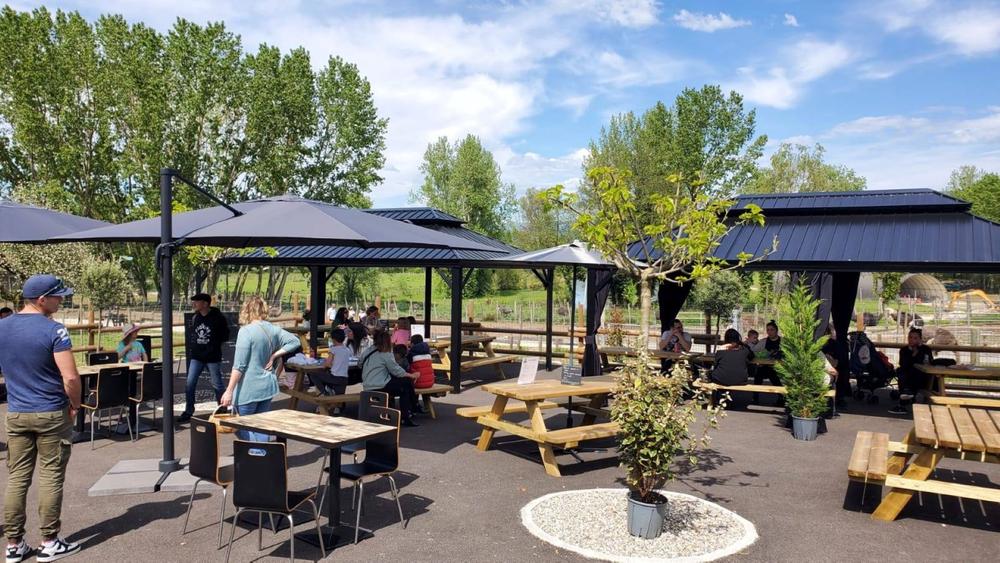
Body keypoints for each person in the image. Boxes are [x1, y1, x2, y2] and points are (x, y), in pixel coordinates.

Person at [0, 275, 82, 562]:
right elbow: (70, 376)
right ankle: (49, 541)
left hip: (17, 412)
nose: (62, 300)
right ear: (41, 299)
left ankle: (13, 544)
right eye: (58, 296)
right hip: (50, 412)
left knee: (17, 477)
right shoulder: (54, 331)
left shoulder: (1, 327)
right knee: (50, 476)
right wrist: (76, 404)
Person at [220, 296, 300, 441]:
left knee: (239, 425)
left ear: (246, 310)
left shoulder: (246, 332)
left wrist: (229, 390)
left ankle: (256, 454)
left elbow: (239, 365)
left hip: (248, 389)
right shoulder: (274, 329)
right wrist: (275, 355)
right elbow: (295, 341)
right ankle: (262, 457)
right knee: (261, 426)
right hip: (267, 386)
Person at [178, 294, 231, 423]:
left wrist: (213, 346)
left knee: (217, 384)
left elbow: (225, 336)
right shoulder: (196, 317)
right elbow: (194, 334)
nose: (194, 304)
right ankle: (188, 410)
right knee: (190, 384)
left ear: (205, 303)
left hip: (212, 357)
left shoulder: (218, 318)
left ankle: (222, 408)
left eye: (197, 302)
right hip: (197, 357)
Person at [359, 330, 419, 427]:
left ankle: (413, 408)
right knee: (406, 385)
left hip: (367, 385)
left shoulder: (368, 350)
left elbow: (359, 363)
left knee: (404, 384)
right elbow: (396, 371)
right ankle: (407, 414)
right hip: (381, 385)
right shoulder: (386, 353)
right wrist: (412, 375)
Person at [889, 328, 933, 415]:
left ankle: (904, 399)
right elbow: (904, 363)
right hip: (907, 375)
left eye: (915, 338)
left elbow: (928, 362)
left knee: (915, 371)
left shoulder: (925, 349)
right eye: (910, 337)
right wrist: (913, 354)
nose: (912, 340)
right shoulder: (904, 350)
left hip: (921, 376)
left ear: (920, 339)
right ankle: (905, 395)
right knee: (901, 371)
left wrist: (918, 351)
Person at [312, 328, 350, 396]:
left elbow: (327, 364)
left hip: (335, 377)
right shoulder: (347, 350)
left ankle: (324, 392)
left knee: (314, 374)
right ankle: (340, 406)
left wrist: (324, 364)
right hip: (344, 379)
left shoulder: (333, 349)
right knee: (339, 397)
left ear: (333, 339)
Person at [753, 320, 783, 404]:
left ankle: (781, 397)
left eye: (772, 330)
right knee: (759, 374)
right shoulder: (763, 341)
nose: (769, 332)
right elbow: (754, 351)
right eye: (768, 330)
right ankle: (755, 397)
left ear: (776, 331)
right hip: (764, 366)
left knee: (772, 374)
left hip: (778, 367)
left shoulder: (783, 341)